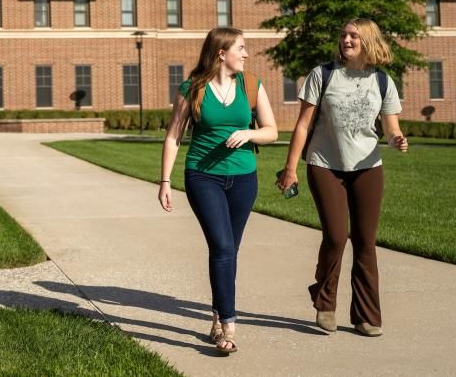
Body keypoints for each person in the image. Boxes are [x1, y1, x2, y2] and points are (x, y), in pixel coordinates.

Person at [276, 18, 408, 338]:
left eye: (354, 36)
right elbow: (303, 125)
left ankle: (366, 315)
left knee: (364, 241)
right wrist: (291, 168)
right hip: (325, 164)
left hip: (368, 167)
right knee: (336, 236)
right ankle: (325, 303)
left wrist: (396, 140)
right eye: (344, 35)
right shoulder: (323, 74)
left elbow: (390, 128)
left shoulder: (382, 81)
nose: (346, 40)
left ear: (369, 42)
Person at [158, 27, 278, 354]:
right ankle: (228, 324)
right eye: (241, 48)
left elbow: (271, 130)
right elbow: (173, 137)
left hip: (243, 179)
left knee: (227, 251)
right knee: (223, 246)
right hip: (203, 177)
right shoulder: (192, 89)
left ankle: (215, 314)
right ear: (221, 53)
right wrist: (165, 181)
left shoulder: (251, 85)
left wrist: (248, 134)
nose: (246, 54)